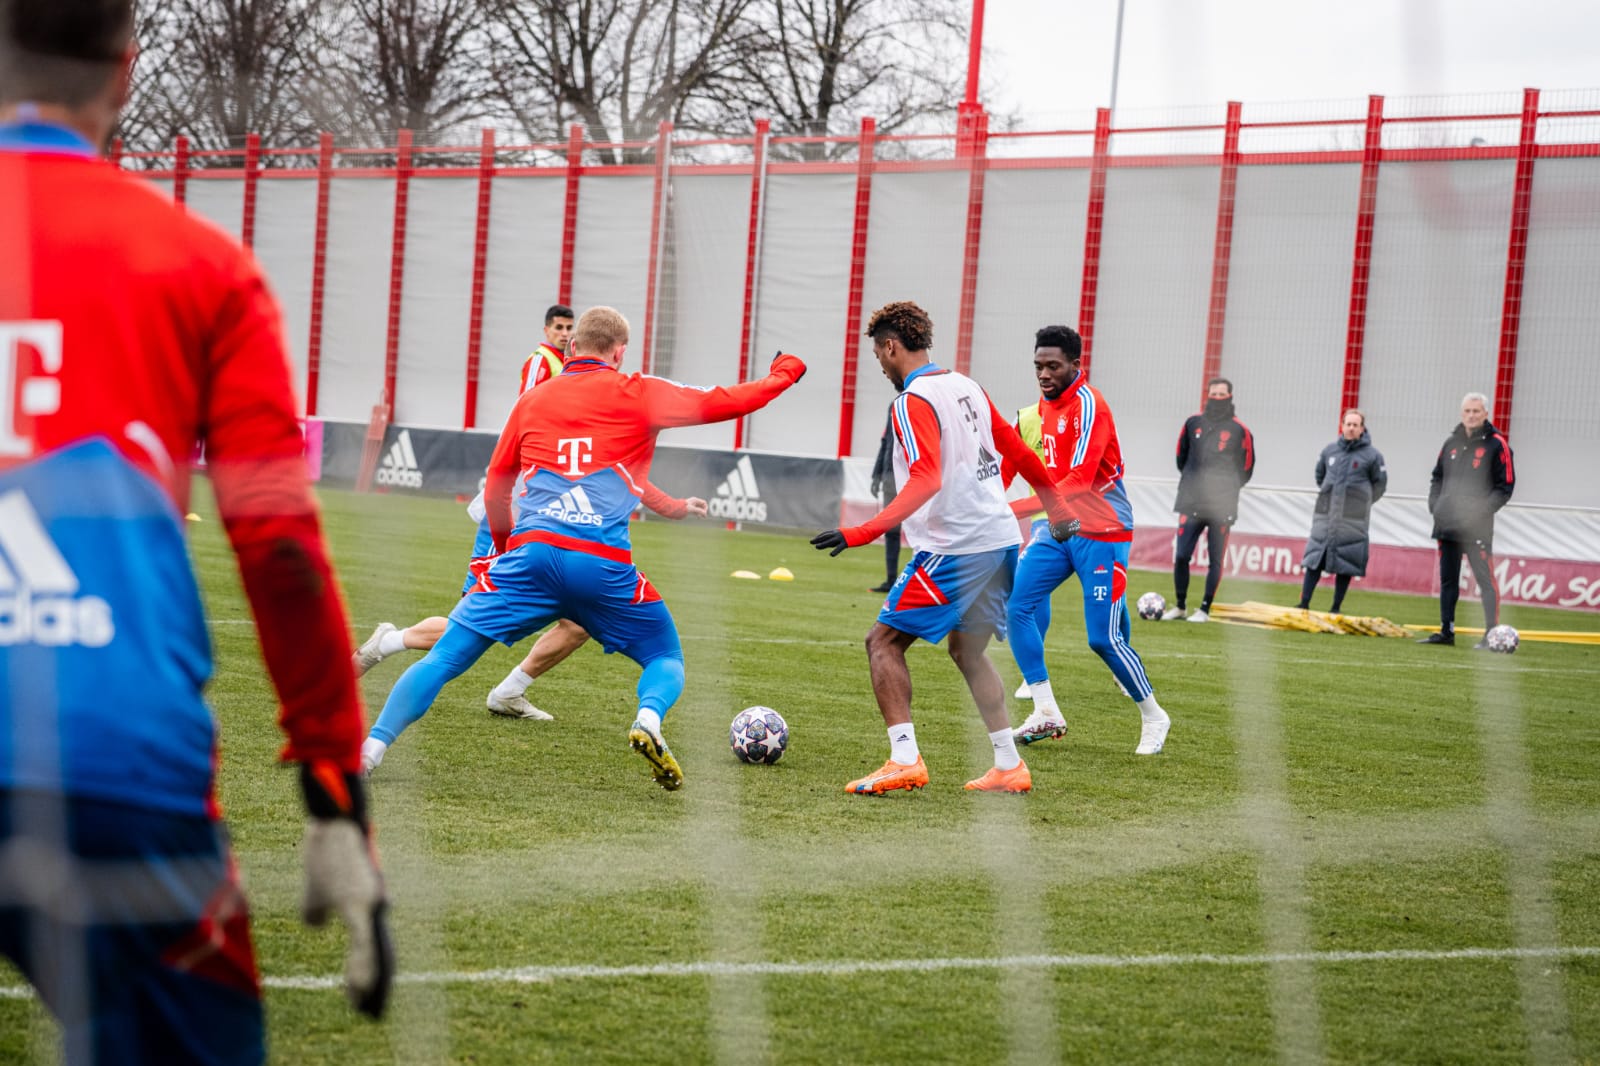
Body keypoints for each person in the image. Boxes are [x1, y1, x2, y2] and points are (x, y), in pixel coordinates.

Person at [0, 1, 392, 1060]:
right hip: (110, 760)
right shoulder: (199, 264)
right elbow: (278, 548)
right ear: (126, 71)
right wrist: (331, 788)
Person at [360, 308, 805, 790]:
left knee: (444, 659)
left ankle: (370, 750)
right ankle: (649, 720)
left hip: (530, 556)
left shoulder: (531, 401)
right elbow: (731, 400)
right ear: (620, 352)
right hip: (602, 565)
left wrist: (509, 551)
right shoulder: (640, 392)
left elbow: (496, 491)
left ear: (572, 348)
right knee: (664, 656)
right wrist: (787, 371)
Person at [810, 301, 1076, 795]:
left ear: (891, 346)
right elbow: (1018, 450)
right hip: (998, 542)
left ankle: (904, 759)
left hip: (959, 547)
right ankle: (1008, 765)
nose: (881, 365)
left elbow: (926, 477)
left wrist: (861, 532)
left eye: (878, 355)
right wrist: (1055, 507)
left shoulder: (912, 401)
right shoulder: (966, 386)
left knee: (882, 642)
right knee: (967, 651)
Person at [352, 481, 708, 720]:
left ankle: (509, 692)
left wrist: (674, 505)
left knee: (579, 624)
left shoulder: (592, 400)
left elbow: (622, 469)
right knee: (468, 627)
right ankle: (387, 642)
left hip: (555, 530)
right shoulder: (551, 377)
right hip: (517, 521)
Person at [1003, 326, 1172, 756]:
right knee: (1018, 606)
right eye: (1038, 365)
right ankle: (1045, 710)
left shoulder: (1091, 405)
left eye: (1053, 366)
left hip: (1103, 530)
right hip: (1062, 527)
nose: (1043, 373)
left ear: (1076, 365)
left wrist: (1012, 511)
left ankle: (1154, 715)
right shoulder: (1042, 406)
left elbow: (1077, 482)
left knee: (1103, 639)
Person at [1418, 392, 1514, 648]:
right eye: (1467, 411)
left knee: (1485, 581)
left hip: (1477, 528)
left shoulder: (1497, 444)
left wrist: (1479, 513)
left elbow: (1505, 487)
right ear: (1462, 414)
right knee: (1448, 580)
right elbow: (1436, 477)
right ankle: (1446, 631)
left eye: (1476, 411)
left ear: (1485, 414)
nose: (1471, 416)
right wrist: (1435, 505)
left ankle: (1491, 635)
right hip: (1446, 524)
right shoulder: (1450, 443)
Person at [1163, 377, 1255, 622]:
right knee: (1182, 555)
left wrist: (1224, 488)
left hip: (1221, 505)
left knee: (1215, 559)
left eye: (1221, 393)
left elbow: (1246, 468)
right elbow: (1180, 458)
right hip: (1191, 501)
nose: (1216, 397)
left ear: (1230, 396)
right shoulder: (1193, 423)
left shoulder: (1240, 430)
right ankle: (1180, 606)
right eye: (1213, 392)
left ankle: (1204, 609)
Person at [1297, 409, 1387, 613]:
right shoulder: (1329, 451)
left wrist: (1359, 504)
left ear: (1362, 428)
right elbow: (1320, 477)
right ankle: (1304, 603)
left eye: (1356, 425)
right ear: (1342, 425)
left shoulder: (1373, 456)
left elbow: (1379, 486)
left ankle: (1335, 607)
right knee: (1314, 559)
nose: (1352, 428)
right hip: (1326, 515)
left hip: (1352, 519)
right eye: (1348, 424)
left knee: (1346, 562)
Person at [867, 406, 902, 593]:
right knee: (891, 530)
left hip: (913, 478)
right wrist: (877, 474)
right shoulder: (894, 406)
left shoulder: (923, 401)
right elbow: (886, 441)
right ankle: (891, 580)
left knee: (923, 530)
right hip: (890, 478)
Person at [520, 303, 575, 393]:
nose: (565, 333)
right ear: (546, 331)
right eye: (559, 327)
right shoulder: (540, 359)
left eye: (569, 328)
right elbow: (528, 400)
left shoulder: (572, 359)